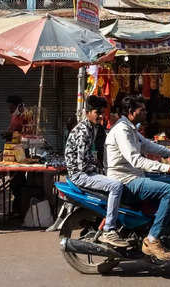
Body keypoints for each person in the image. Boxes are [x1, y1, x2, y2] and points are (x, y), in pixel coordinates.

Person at [106, 96, 170, 260]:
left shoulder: (130, 128)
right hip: (126, 180)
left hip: (135, 175)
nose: (145, 112)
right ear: (131, 112)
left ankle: (159, 226)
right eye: (141, 110)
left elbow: (148, 145)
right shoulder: (122, 130)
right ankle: (152, 238)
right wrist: (169, 168)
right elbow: (136, 159)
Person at [65, 96, 128, 248]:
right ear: (87, 112)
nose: (100, 116)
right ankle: (109, 230)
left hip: (87, 171)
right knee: (116, 186)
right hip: (80, 175)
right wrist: (100, 171)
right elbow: (81, 163)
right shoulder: (83, 131)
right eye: (96, 113)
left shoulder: (94, 128)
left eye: (102, 113)